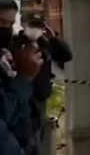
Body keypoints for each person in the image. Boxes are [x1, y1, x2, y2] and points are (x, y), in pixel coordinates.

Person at [0, 0, 43, 154]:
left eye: (10, 24)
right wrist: (24, 77)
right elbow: (3, 112)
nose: (6, 30)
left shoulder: (4, 52)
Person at [18, 18, 72, 155]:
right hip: (23, 97)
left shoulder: (45, 43)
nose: (35, 30)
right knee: (28, 136)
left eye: (39, 27)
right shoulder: (17, 43)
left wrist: (53, 38)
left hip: (40, 97)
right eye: (32, 26)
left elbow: (66, 55)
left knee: (39, 132)